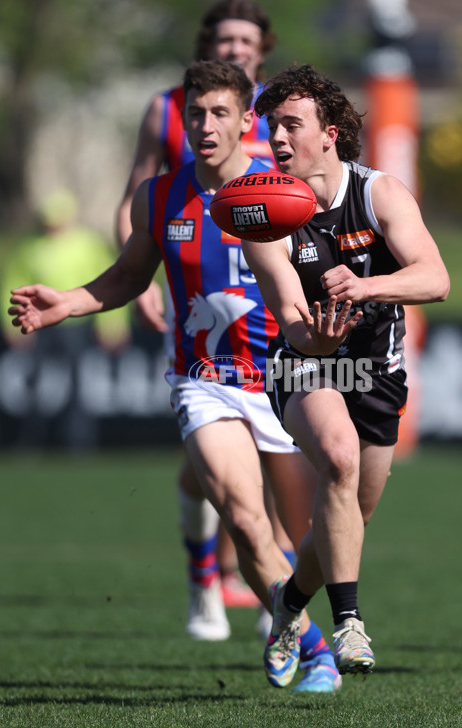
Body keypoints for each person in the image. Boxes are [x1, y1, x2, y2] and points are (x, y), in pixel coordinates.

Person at [9, 59, 341, 693]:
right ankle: (313, 647)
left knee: (316, 531)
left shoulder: (288, 191)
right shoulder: (159, 196)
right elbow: (129, 276)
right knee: (242, 517)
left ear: (248, 121)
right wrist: (69, 302)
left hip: (285, 377)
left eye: (220, 113)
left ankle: (286, 616)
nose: (205, 125)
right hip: (205, 378)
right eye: (195, 112)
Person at [240, 64, 450, 679]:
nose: (276, 138)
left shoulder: (379, 193)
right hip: (307, 364)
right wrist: (319, 339)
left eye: (290, 125)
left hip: (378, 373)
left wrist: (366, 287)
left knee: (349, 514)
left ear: (329, 133)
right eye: (271, 126)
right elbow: (291, 320)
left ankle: (288, 602)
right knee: (336, 456)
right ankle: (349, 624)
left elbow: (435, 279)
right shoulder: (261, 215)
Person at [115, 0, 293, 635]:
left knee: (288, 485)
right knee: (221, 481)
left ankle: (281, 598)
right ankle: (212, 581)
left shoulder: (282, 120)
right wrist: (136, 276)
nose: (234, 48)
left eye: (245, 40)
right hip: (203, 332)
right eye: (223, 39)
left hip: (283, 348)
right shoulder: (167, 111)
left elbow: (323, 197)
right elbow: (139, 192)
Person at [0, 188, 130, 450]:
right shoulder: (30, 246)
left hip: (77, 323)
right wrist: (11, 324)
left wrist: (113, 324)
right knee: (33, 383)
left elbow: (111, 284)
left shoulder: (88, 244)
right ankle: (31, 442)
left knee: (79, 383)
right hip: (39, 322)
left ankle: (78, 443)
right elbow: (13, 284)